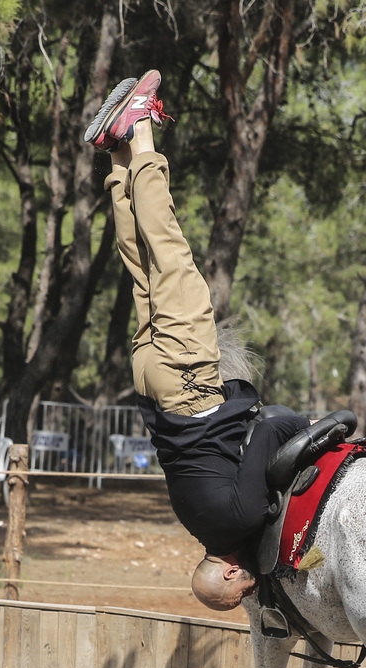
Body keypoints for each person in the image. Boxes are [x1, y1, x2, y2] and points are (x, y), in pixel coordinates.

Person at [85, 70, 311, 611]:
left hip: (190, 384)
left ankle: (139, 131)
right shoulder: (194, 523)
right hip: (150, 385)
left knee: (169, 253)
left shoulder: (243, 519)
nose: (250, 589)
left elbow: (266, 434)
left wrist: (308, 424)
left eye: (240, 591)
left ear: (229, 571)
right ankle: (117, 160)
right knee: (141, 266)